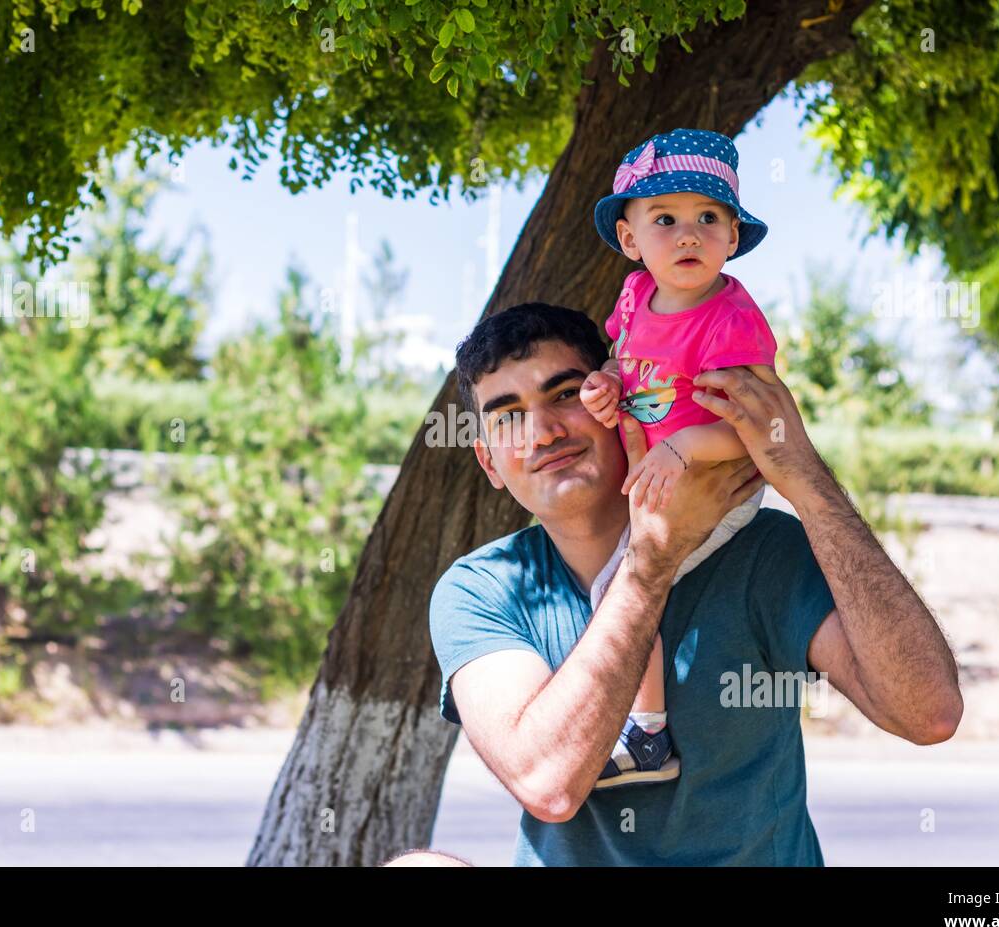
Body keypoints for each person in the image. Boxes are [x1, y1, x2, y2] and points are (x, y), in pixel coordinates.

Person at [386, 303, 961, 866]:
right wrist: (651, 562)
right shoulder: (484, 589)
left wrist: (806, 479)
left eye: (566, 394)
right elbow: (549, 785)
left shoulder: (761, 552)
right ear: (489, 463)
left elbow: (926, 713)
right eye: (508, 415)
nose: (542, 432)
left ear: (621, 400)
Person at [577, 128, 778, 788]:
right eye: (665, 219)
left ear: (732, 237)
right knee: (611, 582)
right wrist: (606, 383)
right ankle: (627, 712)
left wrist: (685, 442)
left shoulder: (730, 317)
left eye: (708, 218)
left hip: (715, 481)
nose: (688, 235)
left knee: (623, 588)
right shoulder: (635, 298)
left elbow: (758, 423)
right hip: (654, 479)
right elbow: (621, 363)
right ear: (632, 241)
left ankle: (648, 737)